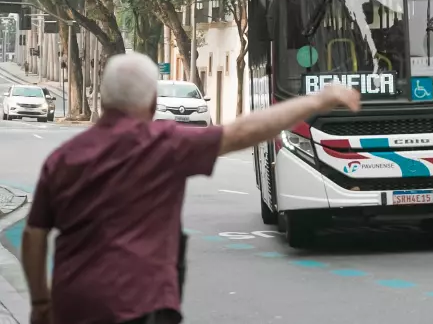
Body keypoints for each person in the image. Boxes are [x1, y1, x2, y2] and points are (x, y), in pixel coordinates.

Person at [20, 53, 361, 324]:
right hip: (139, 304)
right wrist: (317, 101)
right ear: (152, 102)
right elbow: (243, 131)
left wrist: (39, 302)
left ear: (105, 99)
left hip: (73, 302)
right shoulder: (162, 144)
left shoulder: (63, 158)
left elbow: (34, 233)